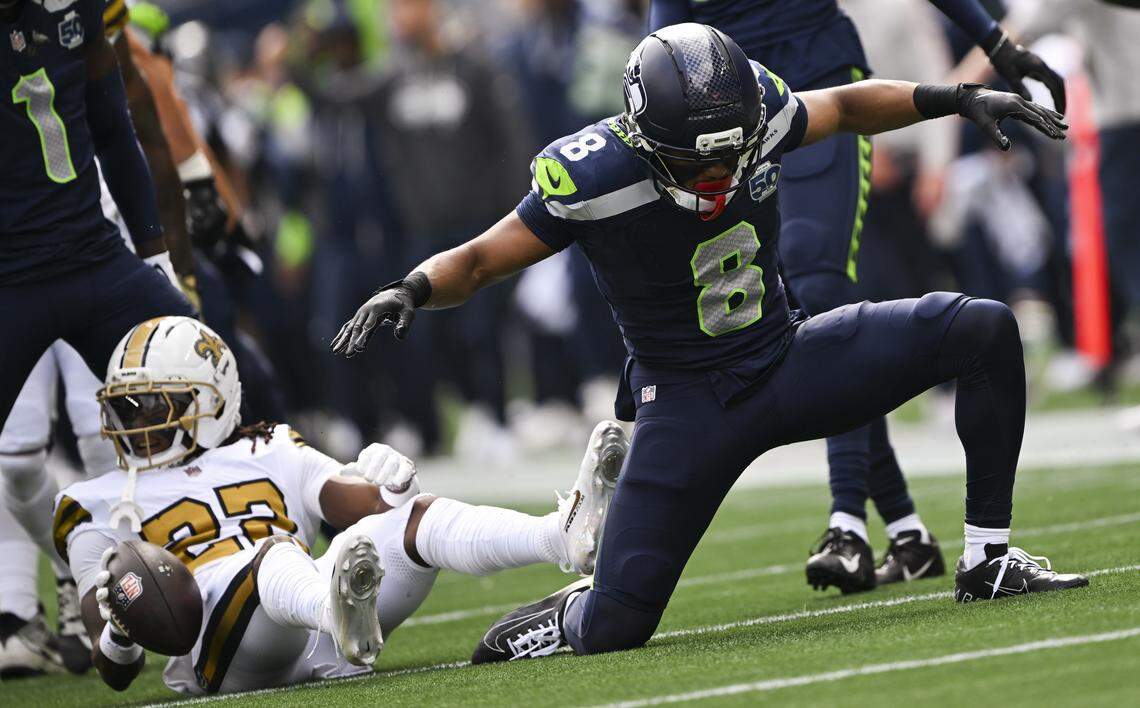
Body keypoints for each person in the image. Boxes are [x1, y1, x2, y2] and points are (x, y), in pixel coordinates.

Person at [333, 23, 1086, 662]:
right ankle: (564, 611)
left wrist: (956, 100)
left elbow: (847, 105)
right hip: (686, 406)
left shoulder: (754, 106)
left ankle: (987, 559)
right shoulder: (592, 172)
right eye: (701, 159)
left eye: (732, 153)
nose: (721, 174)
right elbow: (480, 260)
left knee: (984, 327)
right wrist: (413, 286)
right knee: (615, 626)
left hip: (786, 359)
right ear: (641, 134)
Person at [647, 0, 1068, 594]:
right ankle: (906, 530)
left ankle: (846, 526)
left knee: (820, 293)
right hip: (723, 113)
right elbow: (663, 39)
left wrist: (992, 41)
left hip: (822, 80)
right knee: (789, 318)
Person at [53, 315, 628, 695]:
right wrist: (121, 631)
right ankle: (336, 611)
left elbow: (363, 506)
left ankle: (562, 536)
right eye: (128, 410)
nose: (137, 425)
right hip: (223, 647)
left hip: (316, 610)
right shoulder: (93, 501)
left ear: (214, 401)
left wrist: (393, 485)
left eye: (155, 406)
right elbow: (114, 671)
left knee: (415, 516)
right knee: (277, 554)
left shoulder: (270, 447)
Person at [0, 0, 198, 677]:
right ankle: (72, 588)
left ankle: (240, 575)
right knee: (16, 460)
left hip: (94, 258)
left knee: (207, 383)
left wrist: (157, 259)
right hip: (6, 281)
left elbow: (117, 128)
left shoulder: (74, 7)